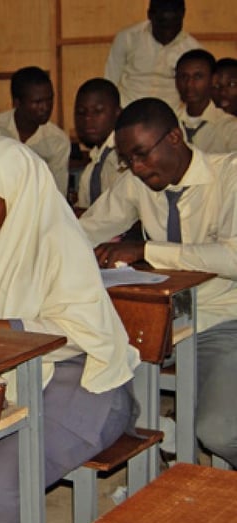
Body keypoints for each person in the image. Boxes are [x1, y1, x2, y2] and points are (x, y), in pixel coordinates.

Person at [0, 136, 138, 523]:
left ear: (18, 199)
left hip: (82, 386)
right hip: (5, 384)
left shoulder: (58, 245)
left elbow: (80, 330)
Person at [79, 97, 237, 469]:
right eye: (128, 160)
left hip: (221, 321)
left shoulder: (229, 176)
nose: (135, 167)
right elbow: (86, 229)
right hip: (155, 324)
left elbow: (232, 256)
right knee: (94, 399)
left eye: (142, 154)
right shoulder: (138, 182)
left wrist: (149, 250)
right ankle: (155, 479)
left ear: (175, 138)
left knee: (218, 432)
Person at [0, 66, 71, 196]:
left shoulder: (58, 141)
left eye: (49, 99)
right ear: (17, 102)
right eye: (37, 102)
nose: (45, 107)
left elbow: (57, 192)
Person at [105, 0, 201, 107]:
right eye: (162, 26)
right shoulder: (128, 38)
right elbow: (110, 81)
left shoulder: (193, 51)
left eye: (174, 26)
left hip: (169, 115)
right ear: (150, 15)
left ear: (183, 14)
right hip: (127, 109)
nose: (168, 33)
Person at [174, 49, 237, 153]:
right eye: (184, 77)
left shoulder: (230, 127)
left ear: (214, 80)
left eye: (198, 77)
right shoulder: (170, 121)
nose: (189, 84)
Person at [73, 78, 123, 209]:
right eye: (81, 112)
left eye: (98, 111)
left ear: (118, 113)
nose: (88, 118)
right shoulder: (93, 164)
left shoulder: (125, 156)